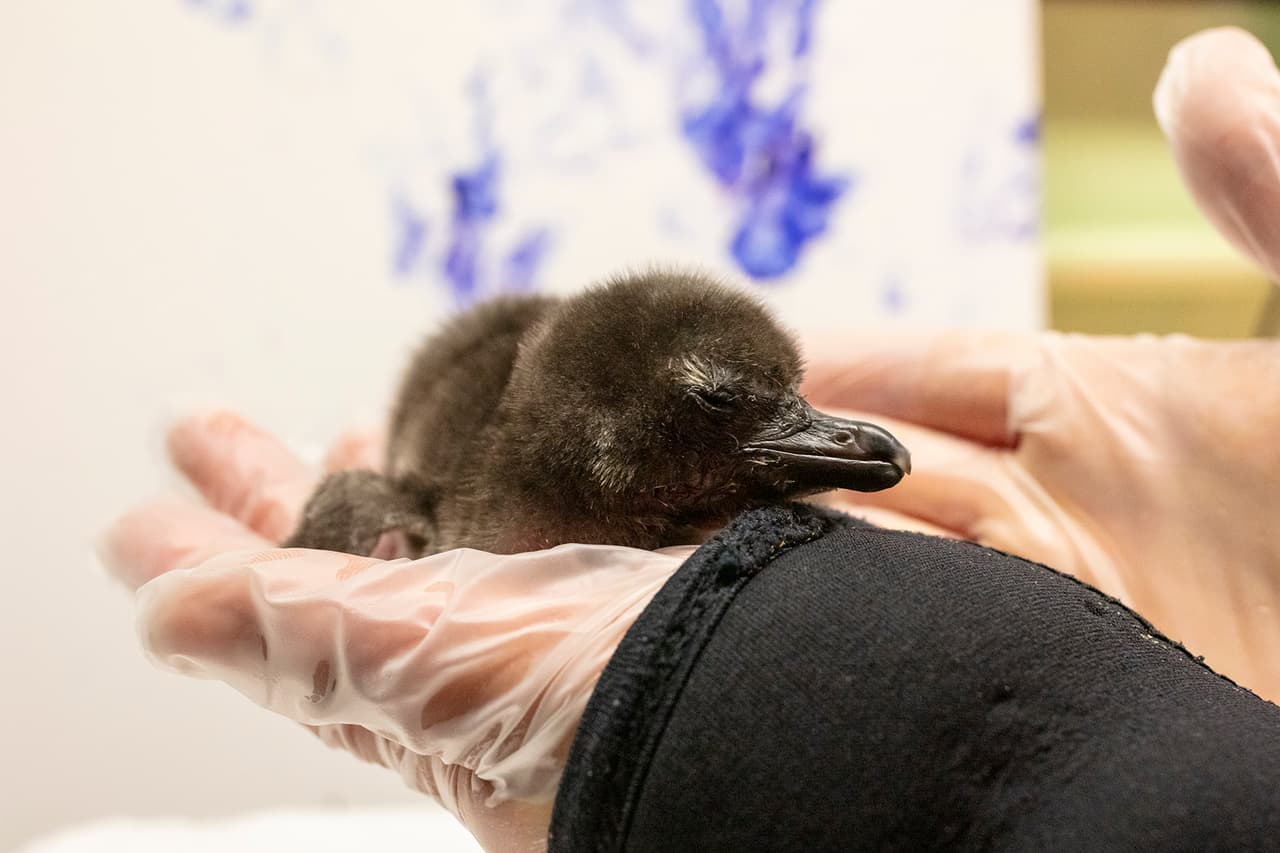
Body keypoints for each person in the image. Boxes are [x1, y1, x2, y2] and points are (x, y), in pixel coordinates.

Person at [101, 27, 1280, 853]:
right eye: (734, 407)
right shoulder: (478, 483)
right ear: (604, 433)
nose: (829, 442)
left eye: (781, 404)